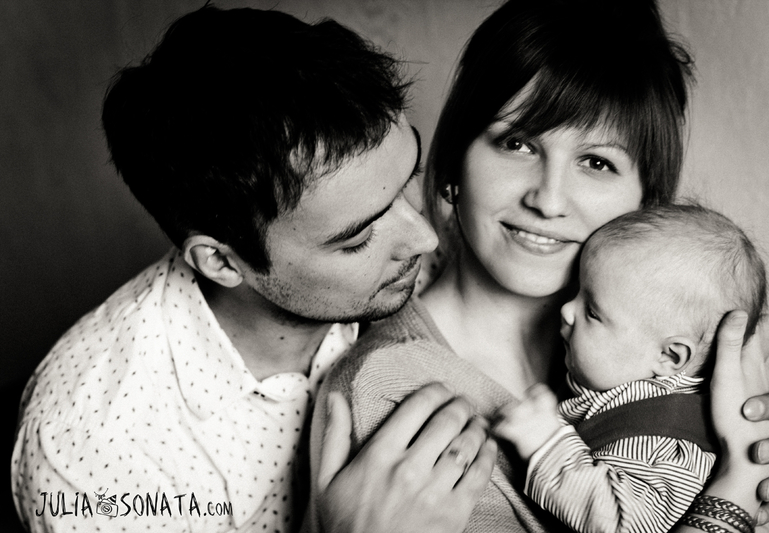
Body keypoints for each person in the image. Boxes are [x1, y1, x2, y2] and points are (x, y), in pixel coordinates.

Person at [308, 0, 769, 531]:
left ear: (646, 204)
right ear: (455, 161)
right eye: (517, 143)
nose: (548, 199)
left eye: (597, 162)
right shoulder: (392, 388)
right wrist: (733, 493)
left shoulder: (662, 360)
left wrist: (765, 483)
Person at [11, 6, 495, 532]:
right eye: (358, 237)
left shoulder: (423, 249)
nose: (426, 238)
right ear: (222, 261)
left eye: (409, 177)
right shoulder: (92, 450)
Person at [493, 204, 767, 533]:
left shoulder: (662, 441)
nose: (566, 309)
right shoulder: (621, 388)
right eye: (577, 291)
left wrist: (545, 443)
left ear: (670, 356)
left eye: (592, 312)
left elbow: (627, 524)